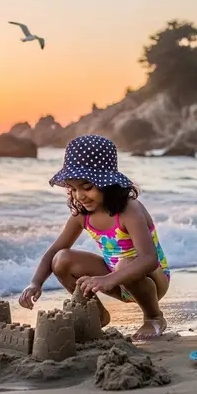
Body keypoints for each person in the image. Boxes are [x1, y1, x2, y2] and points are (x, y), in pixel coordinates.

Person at [19, 134, 170, 340]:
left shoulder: (129, 209)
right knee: (61, 259)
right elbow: (54, 251)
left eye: (87, 187)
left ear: (107, 183)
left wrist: (109, 279)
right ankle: (95, 315)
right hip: (113, 278)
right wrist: (35, 283)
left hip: (151, 281)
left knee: (124, 264)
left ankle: (153, 317)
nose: (79, 196)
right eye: (72, 189)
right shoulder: (82, 214)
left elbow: (149, 259)